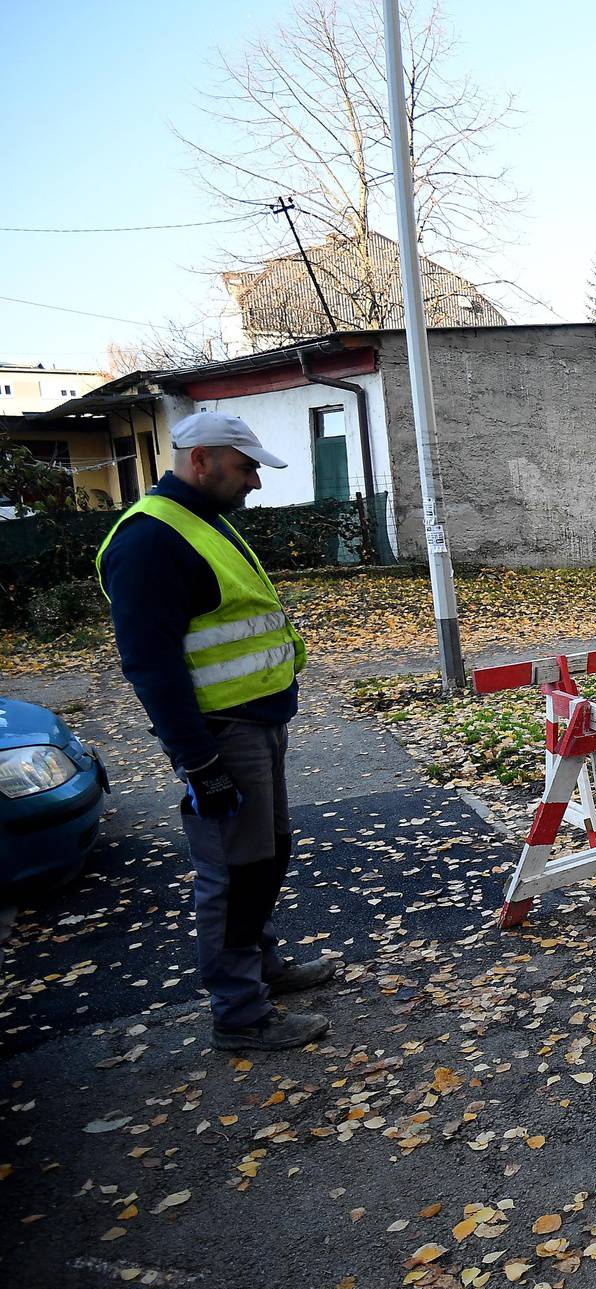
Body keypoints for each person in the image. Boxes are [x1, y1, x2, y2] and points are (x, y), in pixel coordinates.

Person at [95, 411, 335, 1051]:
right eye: (246, 466)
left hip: (257, 723)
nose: (255, 481)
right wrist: (199, 762)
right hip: (221, 735)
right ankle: (240, 1015)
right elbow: (151, 663)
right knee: (234, 871)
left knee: (266, 856)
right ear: (200, 461)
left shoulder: (203, 523)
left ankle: (260, 968)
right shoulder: (149, 541)